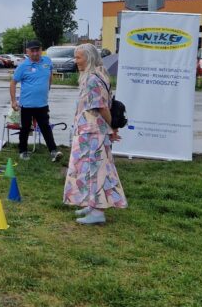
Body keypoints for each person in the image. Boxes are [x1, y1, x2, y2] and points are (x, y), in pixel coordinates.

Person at [63, 44, 127, 225]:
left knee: (95, 170)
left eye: (79, 57)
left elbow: (102, 107)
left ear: (89, 58)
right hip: (90, 131)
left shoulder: (92, 79)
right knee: (88, 170)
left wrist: (112, 127)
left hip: (92, 133)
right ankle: (92, 204)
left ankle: (98, 211)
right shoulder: (99, 75)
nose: (76, 61)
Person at [9, 39, 63, 162]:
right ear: (27, 51)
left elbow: (50, 75)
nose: (35, 53)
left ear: (41, 50)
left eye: (37, 50)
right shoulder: (23, 66)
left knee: (46, 128)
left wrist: (47, 88)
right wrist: (13, 101)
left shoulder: (47, 61)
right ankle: (23, 151)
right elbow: (13, 83)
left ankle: (53, 151)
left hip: (42, 104)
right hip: (27, 105)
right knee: (25, 128)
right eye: (32, 51)